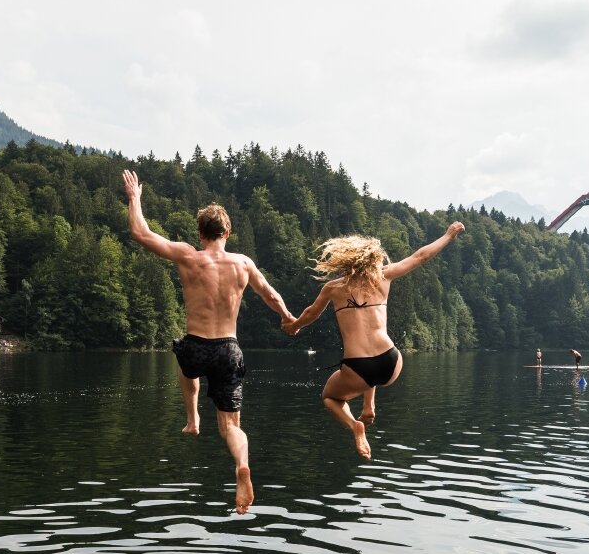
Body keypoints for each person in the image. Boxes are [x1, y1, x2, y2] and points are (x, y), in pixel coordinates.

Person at [123, 169, 292, 514]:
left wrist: (135, 198)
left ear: (200, 233)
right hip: (229, 349)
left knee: (185, 359)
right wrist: (288, 316)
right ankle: (241, 464)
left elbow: (140, 232)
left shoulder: (188, 255)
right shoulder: (243, 264)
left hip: (196, 345)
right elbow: (271, 295)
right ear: (227, 232)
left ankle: (192, 419)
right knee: (231, 426)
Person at [283, 221, 465, 459]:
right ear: (371, 259)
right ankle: (369, 406)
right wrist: (448, 236)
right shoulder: (383, 277)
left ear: (346, 261)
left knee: (330, 397)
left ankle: (355, 427)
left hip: (357, 367)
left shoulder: (333, 287)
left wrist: (295, 326)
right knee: (372, 369)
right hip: (391, 361)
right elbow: (420, 257)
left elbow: (311, 313)